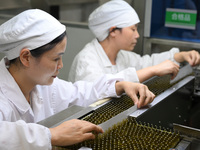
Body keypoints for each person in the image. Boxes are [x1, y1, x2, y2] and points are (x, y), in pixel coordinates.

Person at [0, 9, 155, 150]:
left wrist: (119, 85)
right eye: (55, 59)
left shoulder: (42, 85)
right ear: (26, 57)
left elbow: (79, 92)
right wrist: (51, 135)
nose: (61, 65)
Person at [68, 0, 200, 83]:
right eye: (132, 29)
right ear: (113, 31)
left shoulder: (122, 56)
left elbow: (146, 62)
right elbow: (99, 91)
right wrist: (153, 70)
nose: (137, 35)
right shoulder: (87, 60)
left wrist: (180, 56)